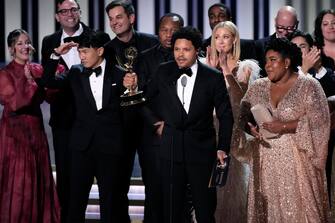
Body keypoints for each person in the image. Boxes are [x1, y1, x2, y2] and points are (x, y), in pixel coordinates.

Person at [144, 26, 234, 223]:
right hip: (171, 150)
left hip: (202, 152)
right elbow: (145, 102)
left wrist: (222, 148)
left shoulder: (212, 76)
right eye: (177, 49)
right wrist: (156, 123)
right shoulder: (163, 71)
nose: (180, 54)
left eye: (186, 49)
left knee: (205, 209)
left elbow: (226, 115)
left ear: (197, 50)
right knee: (172, 210)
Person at [42, 31, 133, 223]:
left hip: (110, 149)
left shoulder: (120, 73)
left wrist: (131, 87)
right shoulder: (76, 72)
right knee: (76, 202)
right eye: (80, 52)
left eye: (85, 52)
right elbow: (48, 82)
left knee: (110, 202)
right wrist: (55, 55)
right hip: (81, 148)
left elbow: (130, 114)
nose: (81, 56)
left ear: (100, 51)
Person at [239, 38, 330, 222]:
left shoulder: (308, 86)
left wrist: (284, 126)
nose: (268, 66)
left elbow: (319, 122)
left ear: (287, 62)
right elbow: (242, 114)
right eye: (266, 61)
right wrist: (250, 128)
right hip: (266, 162)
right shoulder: (259, 86)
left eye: (273, 60)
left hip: (297, 164)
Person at [40, 1, 96, 221]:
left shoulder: (96, 36)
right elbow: (47, 80)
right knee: (64, 176)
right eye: (64, 11)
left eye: (73, 10)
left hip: (92, 121)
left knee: (86, 176)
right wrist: (55, 55)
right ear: (57, 16)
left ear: (79, 12)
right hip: (63, 120)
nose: (69, 14)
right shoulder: (49, 42)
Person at [104, 0, 159, 212]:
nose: (114, 22)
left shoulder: (152, 43)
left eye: (119, 17)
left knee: (154, 182)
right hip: (119, 126)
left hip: (149, 123)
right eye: (111, 18)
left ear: (131, 18)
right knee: (118, 185)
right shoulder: (106, 51)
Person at [0, 29, 60, 223]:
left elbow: (52, 94)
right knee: (18, 185)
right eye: (19, 43)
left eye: (27, 42)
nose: (24, 46)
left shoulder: (36, 69)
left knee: (37, 180)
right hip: (14, 138)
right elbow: (17, 102)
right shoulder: (4, 73)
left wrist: (53, 64)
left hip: (36, 133)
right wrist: (30, 82)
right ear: (11, 49)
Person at [205, 21, 260, 223]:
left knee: (232, 189)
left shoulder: (245, 68)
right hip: (207, 133)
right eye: (217, 37)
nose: (221, 41)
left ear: (234, 39)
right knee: (208, 191)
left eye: (225, 37)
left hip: (233, 136)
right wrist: (210, 72)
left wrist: (226, 71)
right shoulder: (204, 65)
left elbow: (241, 103)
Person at [137, 13, 184, 223]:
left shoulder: (191, 56)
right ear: (158, 32)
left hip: (183, 134)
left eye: (174, 30)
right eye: (164, 30)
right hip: (153, 135)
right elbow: (137, 96)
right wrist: (156, 123)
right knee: (154, 192)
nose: (168, 34)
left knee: (180, 193)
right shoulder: (144, 58)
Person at [289, 30, 335, 97]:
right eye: (294, 46)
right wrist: (304, 69)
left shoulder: (326, 71)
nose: (298, 50)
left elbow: (331, 93)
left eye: (302, 46)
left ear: (311, 49)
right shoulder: (283, 72)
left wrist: (318, 68)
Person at [255, 5, 299, 75]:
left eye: (289, 28)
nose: (285, 32)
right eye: (280, 27)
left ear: (297, 24)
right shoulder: (259, 45)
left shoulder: (302, 45)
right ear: (275, 22)